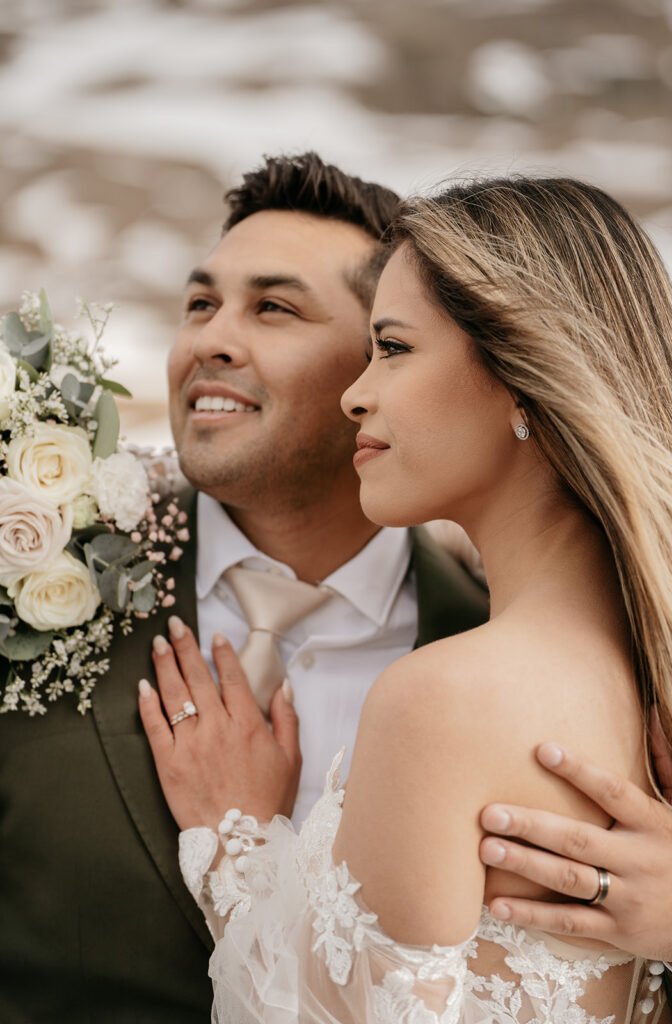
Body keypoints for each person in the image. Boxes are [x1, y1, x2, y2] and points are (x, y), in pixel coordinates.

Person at [140, 176, 672, 1022]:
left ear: (518, 376)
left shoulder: (441, 700)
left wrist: (235, 840)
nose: (358, 393)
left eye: (390, 348)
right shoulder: (651, 675)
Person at [0, 154, 488, 1024]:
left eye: (273, 307)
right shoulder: (34, 565)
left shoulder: (494, 644)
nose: (207, 341)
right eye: (200, 304)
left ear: (384, 359)